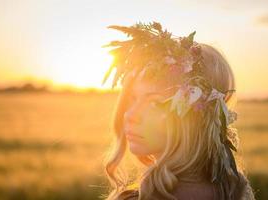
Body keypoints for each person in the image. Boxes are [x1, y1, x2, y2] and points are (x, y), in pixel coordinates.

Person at [100, 21, 256, 200]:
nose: (130, 115)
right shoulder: (235, 191)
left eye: (154, 103)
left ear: (194, 115)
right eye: (133, 98)